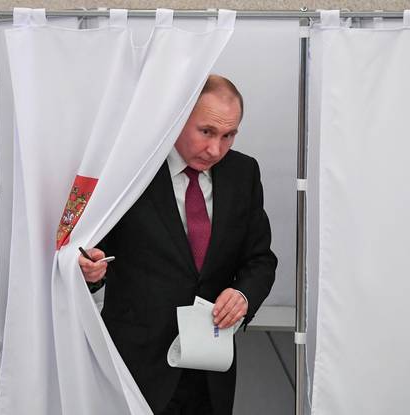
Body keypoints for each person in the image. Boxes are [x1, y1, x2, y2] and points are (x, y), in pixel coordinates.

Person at [79, 75, 277, 415]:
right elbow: (92, 254)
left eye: (228, 135)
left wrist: (243, 295)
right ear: (178, 117)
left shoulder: (243, 172)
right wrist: (91, 271)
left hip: (210, 366)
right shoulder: (130, 170)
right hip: (136, 364)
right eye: (207, 132)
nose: (216, 149)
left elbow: (260, 259)